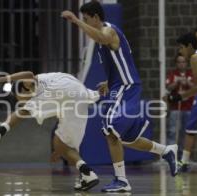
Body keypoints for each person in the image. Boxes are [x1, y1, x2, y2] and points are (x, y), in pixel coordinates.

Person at [62, 1, 178, 192]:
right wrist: (109, 82)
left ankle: (122, 180)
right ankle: (166, 151)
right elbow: (121, 62)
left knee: (109, 127)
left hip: (127, 86)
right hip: (120, 86)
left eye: (86, 19)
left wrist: (75, 21)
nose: (84, 22)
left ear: (96, 18)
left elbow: (101, 37)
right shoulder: (102, 40)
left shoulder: (109, 31)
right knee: (125, 138)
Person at [0, 71, 102, 191]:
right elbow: (61, 116)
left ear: (25, 89)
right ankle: (88, 174)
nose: (25, 101)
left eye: (22, 99)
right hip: (80, 96)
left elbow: (28, 73)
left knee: (24, 111)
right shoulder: (48, 95)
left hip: (63, 87)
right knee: (60, 143)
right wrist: (59, 150)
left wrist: (1, 79)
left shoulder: (29, 84)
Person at [167, 26, 197, 172]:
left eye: (182, 47)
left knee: (195, 125)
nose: (180, 51)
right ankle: (184, 161)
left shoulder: (196, 57)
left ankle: (184, 161)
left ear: (189, 46)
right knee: (196, 126)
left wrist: (179, 97)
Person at [166, 54, 193, 146]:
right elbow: (168, 87)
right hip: (175, 107)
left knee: (185, 132)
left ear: (187, 63)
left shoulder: (191, 74)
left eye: (183, 62)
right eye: (179, 62)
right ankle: (171, 155)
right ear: (176, 63)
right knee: (172, 131)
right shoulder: (172, 74)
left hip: (189, 108)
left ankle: (182, 157)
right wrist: (177, 82)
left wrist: (187, 82)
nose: (181, 64)